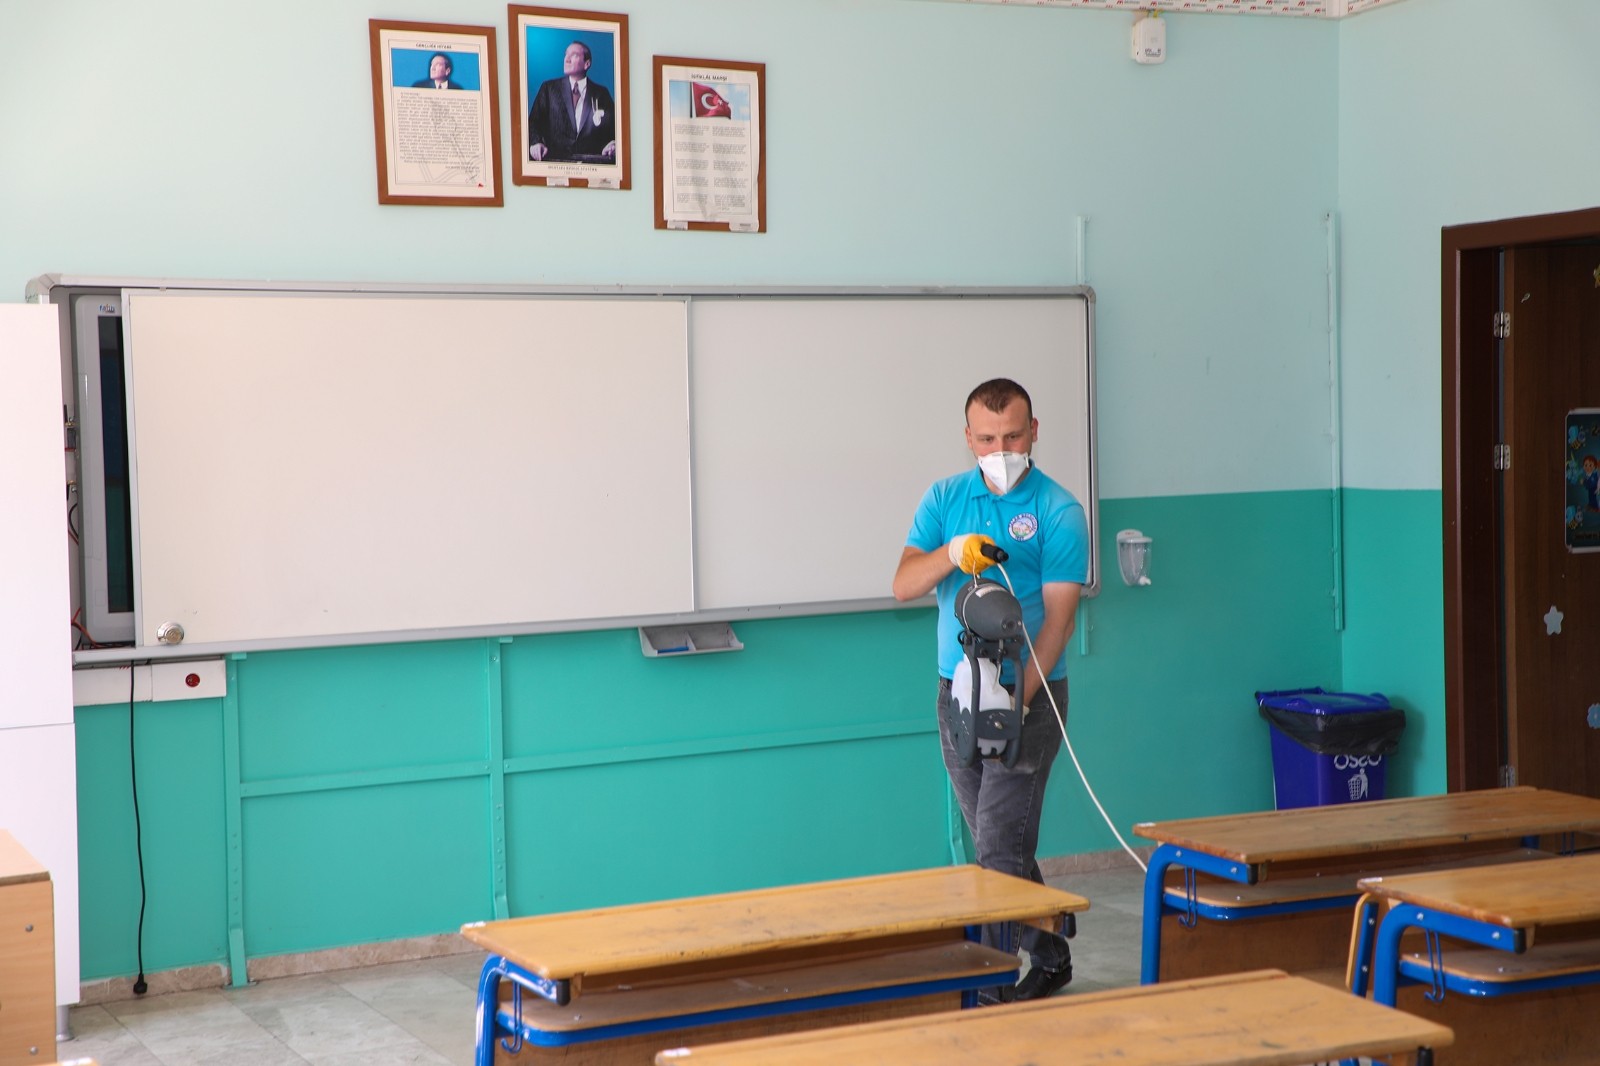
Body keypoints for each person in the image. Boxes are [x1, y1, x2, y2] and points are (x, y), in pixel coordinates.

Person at [892, 377, 1087, 1003]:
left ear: (1034, 432)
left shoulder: (1059, 511)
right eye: (986, 439)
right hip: (956, 695)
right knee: (994, 836)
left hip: (1028, 695)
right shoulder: (945, 498)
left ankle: (990, 991)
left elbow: (1058, 624)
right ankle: (1051, 950)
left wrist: (1016, 701)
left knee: (1000, 848)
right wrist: (952, 552)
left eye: (1012, 436)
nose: (1000, 450)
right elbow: (904, 584)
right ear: (968, 438)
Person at [527, 40, 617, 163]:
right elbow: (533, 122)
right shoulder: (549, 88)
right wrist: (535, 142)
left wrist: (613, 143)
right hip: (555, 162)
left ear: (587, 64)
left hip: (591, 165)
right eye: (566, 54)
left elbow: (614, 129)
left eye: (574, 55)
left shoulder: (601, 93)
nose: (567, 59)